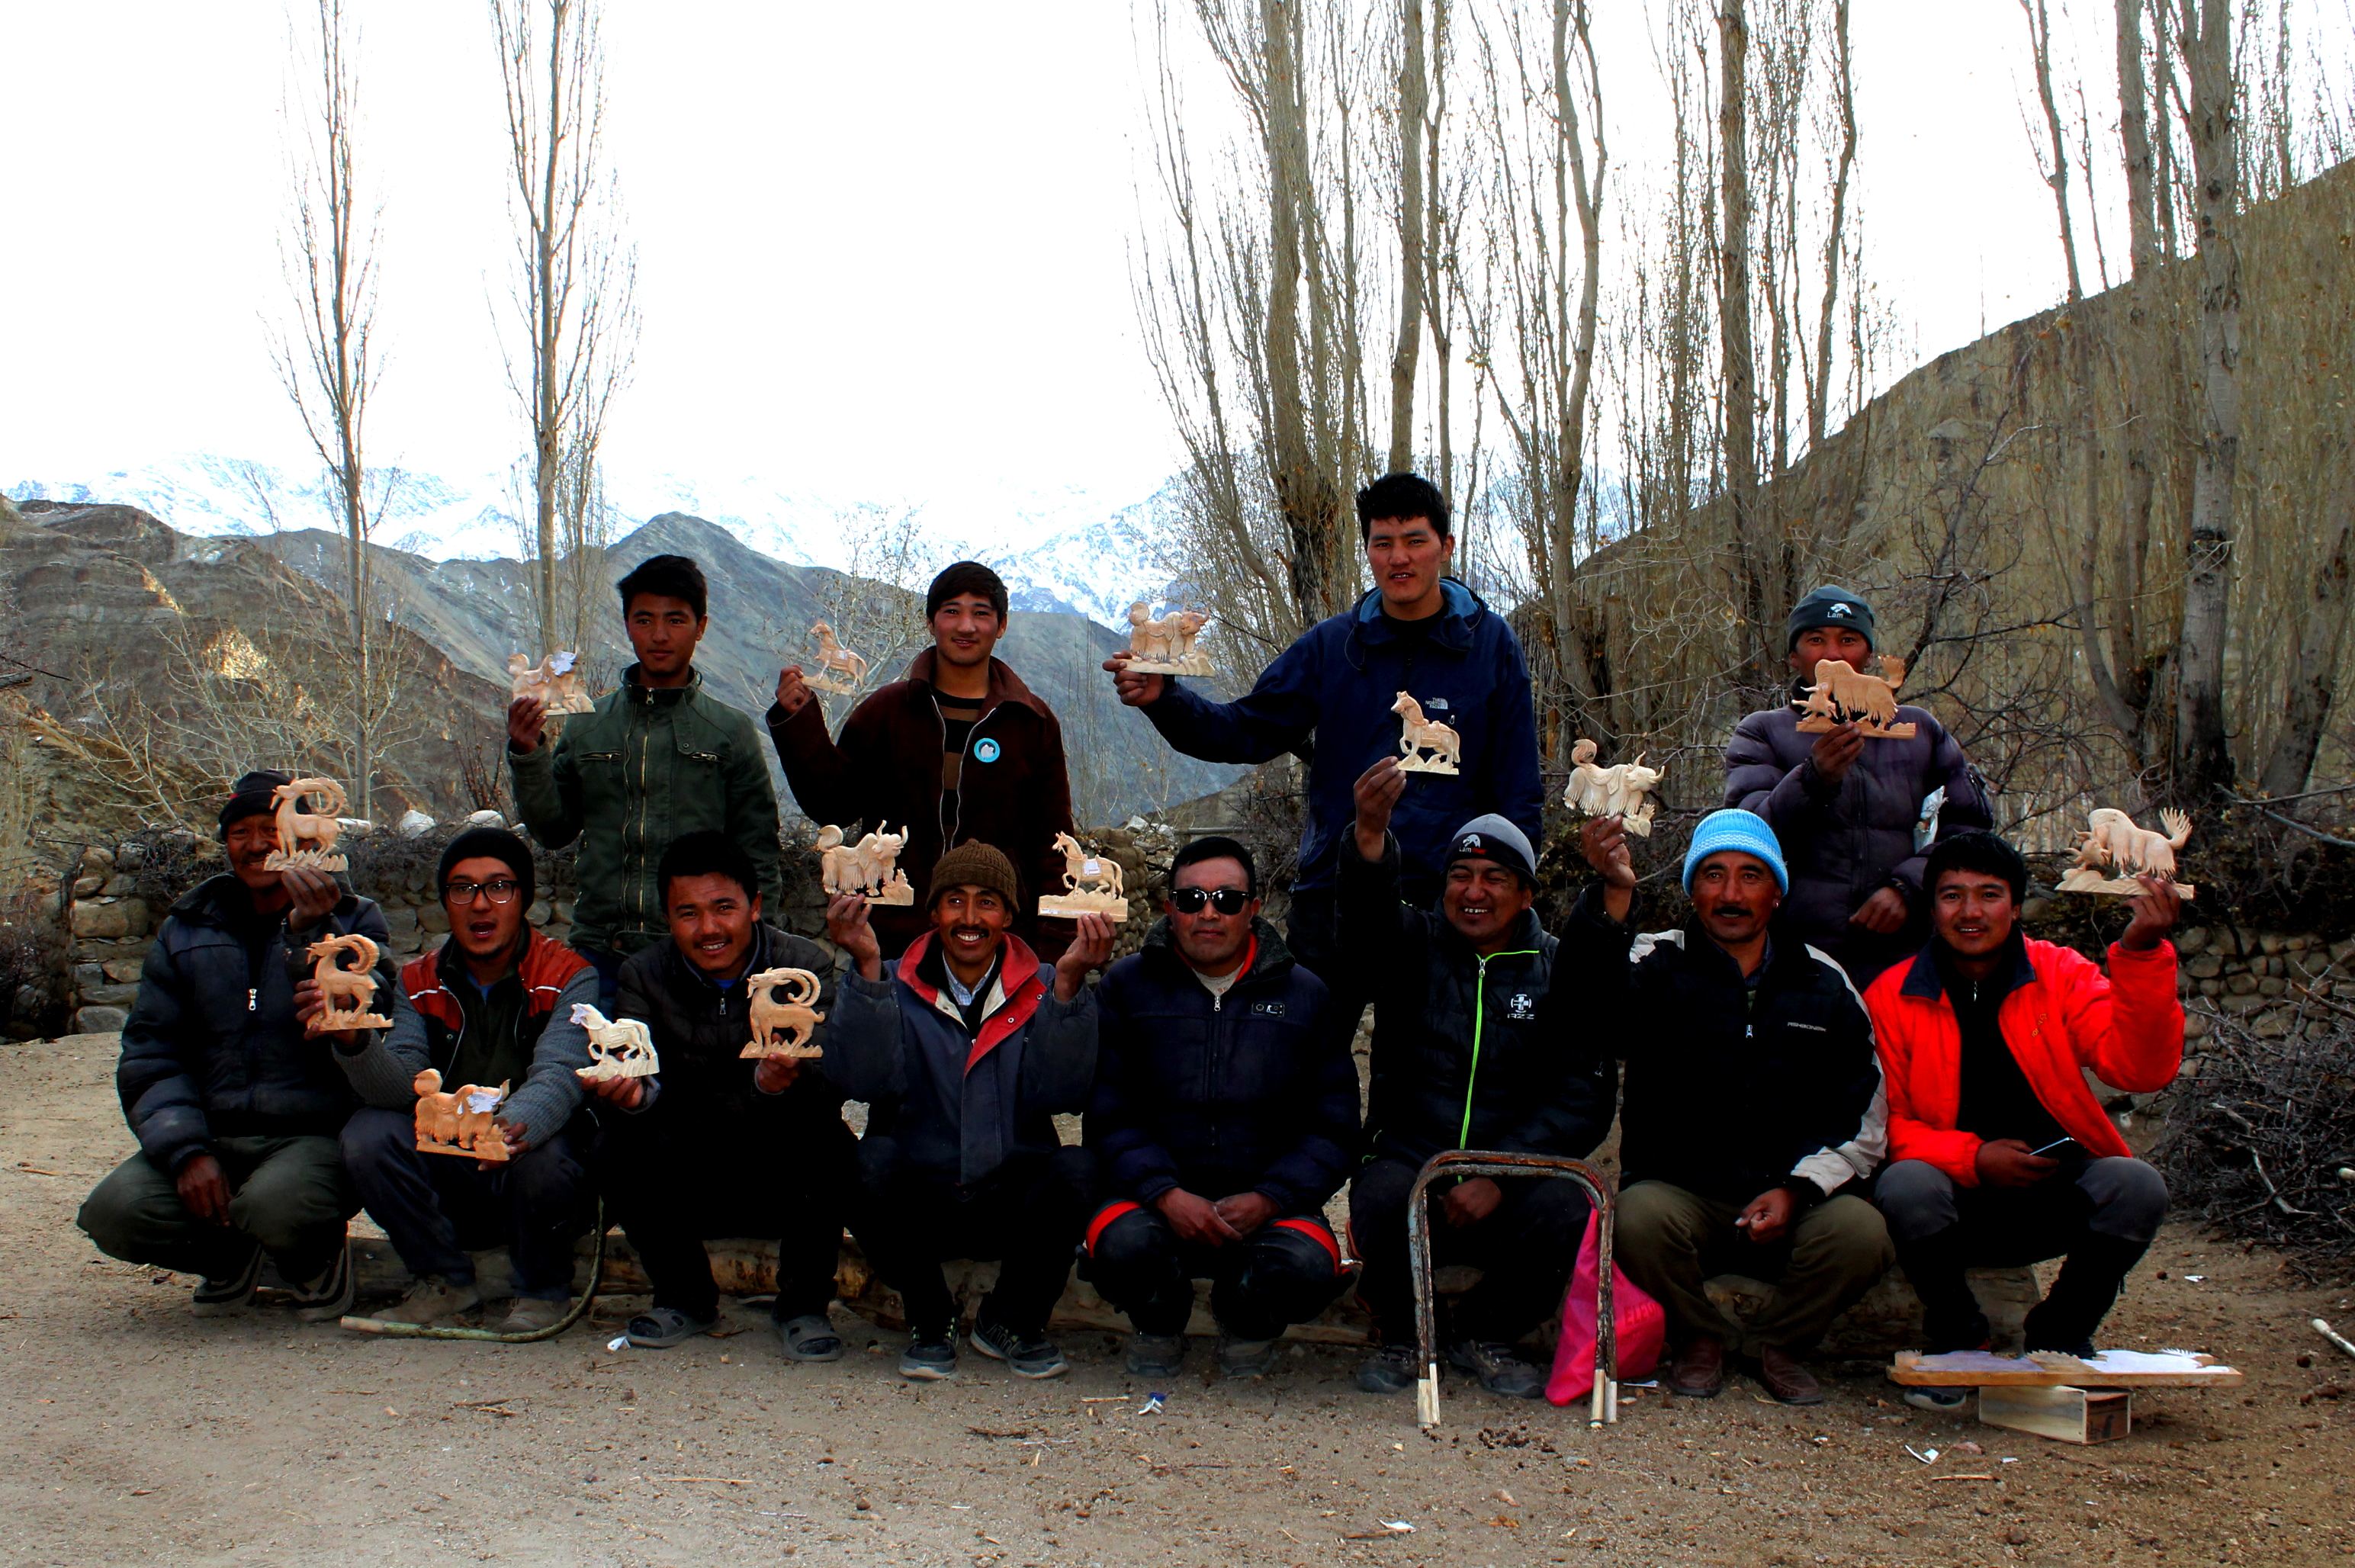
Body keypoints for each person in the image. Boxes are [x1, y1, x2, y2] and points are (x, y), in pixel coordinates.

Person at [1107, 473, 1542, 1027]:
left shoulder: (1491, 646)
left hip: (1444, 899)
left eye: (1415, 540)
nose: (1398, 558)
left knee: (1426, 1081)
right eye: (1382, 543)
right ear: (1368, 551)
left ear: (1446, 547)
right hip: (1332, 897)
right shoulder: (1334, 647)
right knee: (1304, 1074)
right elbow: (1246, 730)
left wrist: (1512, 888)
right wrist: (1164, 699)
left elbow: (1517, 782)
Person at [1565, 808, 1892, 1406]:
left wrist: (1799, 1190)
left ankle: (1779, 1344)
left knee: (1862, 1233)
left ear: (1777, 893)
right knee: (1635, 1218)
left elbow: (1866, 1119)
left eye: (1750, 876)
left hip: (1793, 1199)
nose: (1731, 894)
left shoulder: (1826, 983)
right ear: (1693, 891)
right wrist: (1615, 890)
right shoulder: (1653, 962)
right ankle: (1699, 1338)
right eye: (1713, 876)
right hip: (1684, 1196)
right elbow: (1585, 1009)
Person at [1866, 831, 2181, 1409]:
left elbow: (2138, 1070)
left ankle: (2060, 1334)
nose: (1970, 912)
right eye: (1952, 895)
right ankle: (1960, 1340)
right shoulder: (1893, 995)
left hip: (2050, 1192)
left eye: (1989, 895)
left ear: (2016, 906)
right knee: (1905, 1182)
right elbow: (1884, 1129)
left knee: (2137, 1186)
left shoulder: (2061, 974)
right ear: (1932, 908)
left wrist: (2140, 954)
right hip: (1950, 1202)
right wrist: (1973, 1158)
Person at [1339, 757, 1613, 1400]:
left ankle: (1486, 1331)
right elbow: (1367, 916)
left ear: (1526, 894)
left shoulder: (1556, 970)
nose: (1474, 891)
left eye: (1495, 878)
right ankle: (1406, 1333)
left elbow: (1584, 1095)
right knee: (1380, 1199)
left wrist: (1501, 1171)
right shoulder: (1414, 947)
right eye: (1460, 876)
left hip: (1511, 1172)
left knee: (1567, 1207)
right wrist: (1371, 833)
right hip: (1414, 1158)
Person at [77, 770, 386, 1320]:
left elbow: (374, 1006)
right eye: (240, 832)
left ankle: (313, 1259)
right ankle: (229, 1259)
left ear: (300, 838)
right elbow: (151, 1053)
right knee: (115, 1211)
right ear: (225, 843)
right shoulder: (187, 929)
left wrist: (310, 933)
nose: (257, 845)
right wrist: (187, 1150)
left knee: (275, 1205)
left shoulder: (352, 919)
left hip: (310, 1136)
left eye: (271, 828)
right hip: (214, 1131)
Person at [824, 842, 1113, 1382]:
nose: (970, 918)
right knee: (868, 1161)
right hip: (922, 1201)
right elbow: (860, 1081)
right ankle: (931, 1318)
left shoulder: (1048, 986)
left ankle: (1011, 1319)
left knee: (1079, 1169)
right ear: (933, 913)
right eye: (955, 901)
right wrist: (864, 968)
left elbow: (1064, 1094)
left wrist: (1071, 986)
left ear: (1008, 915)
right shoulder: (888, 982)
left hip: (1011, 1199)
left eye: (987, 902)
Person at [1082, 835, 1358, 1378]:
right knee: (1115, 1246)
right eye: (1191, 900)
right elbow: (1109, 1113)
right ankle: (1159, 1320)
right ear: (1170, 909)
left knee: (1308, 1267)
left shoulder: (1306, 996)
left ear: (1253, 910)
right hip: (1155, 1207)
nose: (1209, 913)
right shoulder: (1127, 987)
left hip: (1267, 1211)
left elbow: (1334, 1126)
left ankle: (1247, 1319)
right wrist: (1164, 1194)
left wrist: (1270, 1196)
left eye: (1228, 900)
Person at [320, 826, 614, 1333]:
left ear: (522, 898)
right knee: (368, 1135)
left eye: (499, 887)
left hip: (533, 1165)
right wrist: (355, 1043)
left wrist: (509, 1126)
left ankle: (542, 1288)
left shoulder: (569, 974)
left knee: (550, 1148)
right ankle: (443, 1280)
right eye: (463, 889)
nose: (481, 905)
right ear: (445, 903)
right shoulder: (418, 982)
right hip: (454, 1167)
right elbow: (403, 1086)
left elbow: (560, 1074)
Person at [599, 831, 857, 1358]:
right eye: (688, 913)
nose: (709, 929)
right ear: (668, 919)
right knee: (615, 1141)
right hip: (688, 1169)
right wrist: (632, 1098)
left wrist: (778, 1086)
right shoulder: (642, 976)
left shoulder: (803, 966)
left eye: (724, 908)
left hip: (778, 1169)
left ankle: (804, 1306)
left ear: (755, 906)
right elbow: (643, 1081)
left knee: (830, 1139)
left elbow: (834, 1081)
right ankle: (684, 1297)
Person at [509, 554, 784, 1003]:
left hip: (700, 955)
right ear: (626, 624)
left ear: (701, 626)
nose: (659, 635)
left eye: (675, 620)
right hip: (602, 954)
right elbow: (552, 830)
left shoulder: (729, 731)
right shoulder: (588, 723)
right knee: (600, 1072)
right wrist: (528, 753)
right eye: (644, 619)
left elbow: (758, 850)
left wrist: (758, 950)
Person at [771, 561, 1075, 959]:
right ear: (931, 622)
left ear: (1000, 626)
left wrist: (1051, 950)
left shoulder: (1030, 721)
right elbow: (833, 805)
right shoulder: (887, 711)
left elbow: (1053, 843)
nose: (965, 626)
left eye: (980, 613)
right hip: (896, 933)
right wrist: (800, 722)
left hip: (1001, 937)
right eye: (951, 611)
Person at [1724, 585, 1990, 986]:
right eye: (1816, 640)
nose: (1833, 653)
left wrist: (1909, 888)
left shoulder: (1919, 732)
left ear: (1866, 654)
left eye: (1848, 640)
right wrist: (1814, 780)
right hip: (1795, 956)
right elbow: (1746, 837)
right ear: (1795, 657)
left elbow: (1968, 827)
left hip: (1904, 956)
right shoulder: (1763, 732)